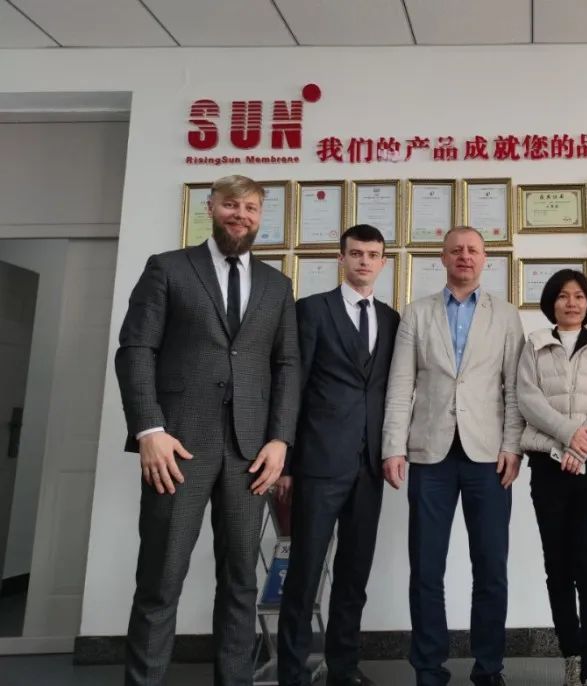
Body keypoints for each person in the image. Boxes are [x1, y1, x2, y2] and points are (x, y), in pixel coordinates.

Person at [115, 174, 300, 686]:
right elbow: (136, 350)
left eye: (250, 208)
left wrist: (280, 440)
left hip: (250, 453)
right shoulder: (168, 268)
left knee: (241, 582)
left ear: (260, 216)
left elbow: (287, 364)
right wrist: (149, 429)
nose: (240, 215)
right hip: (176, 447)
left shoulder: (276, 285)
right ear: (211, 208)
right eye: (230, 205)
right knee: (161, 579)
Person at [381, 226, 525, 686]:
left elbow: (514, 388)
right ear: (442, 258)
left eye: (473, 250)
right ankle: (428, 668)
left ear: (485, 259)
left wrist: (512, 446)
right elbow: (400, 385)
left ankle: (489, 668)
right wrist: (393, 447)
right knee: (426, 568)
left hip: (489, 456)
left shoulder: (505, 315)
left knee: (491, 567)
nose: (465, 256)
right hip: (430, 455)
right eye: (456, 250)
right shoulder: (417, 313)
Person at [276, 224, 400, 686]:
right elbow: (292, 386)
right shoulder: (311, 310)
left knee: (353, 574)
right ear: (341, 258)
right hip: (318, 464)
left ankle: (343, 669)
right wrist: (287, 462)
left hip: (370, 467)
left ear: (383, 262)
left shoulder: (391, 319)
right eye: (356, 253)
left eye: (372, 254)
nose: (364, 261)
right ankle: (292, 672)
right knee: (304, 573)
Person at [516, 270, 587, 686]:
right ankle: (572, 656)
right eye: (563, 296)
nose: (572, 303)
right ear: (551, 303)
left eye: (579, 296)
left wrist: (579, 450)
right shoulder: (533, 345)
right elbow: (528, 399)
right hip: (548, 466)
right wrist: (567, 437)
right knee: (557, 568)